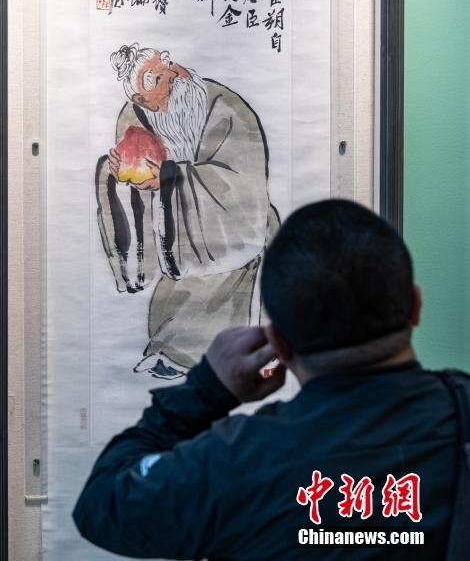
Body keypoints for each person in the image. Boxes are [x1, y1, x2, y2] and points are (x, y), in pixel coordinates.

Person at [73, 199, 464, 559]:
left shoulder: (231, 463)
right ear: (415, 306)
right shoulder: (462, 411)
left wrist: (205, 391)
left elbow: (102, 503)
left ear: (278, 342)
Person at [95, 43, 278, 378]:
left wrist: (169, 179)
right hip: (175, 242)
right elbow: (134, 179)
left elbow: (243, 183)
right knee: (178, 302)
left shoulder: (225, 106)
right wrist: (122, 173)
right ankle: (174, 353)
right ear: (142, 100)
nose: (171, 75)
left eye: (167, 64)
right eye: (156, 78)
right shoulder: (133, 119)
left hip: (236, 232)